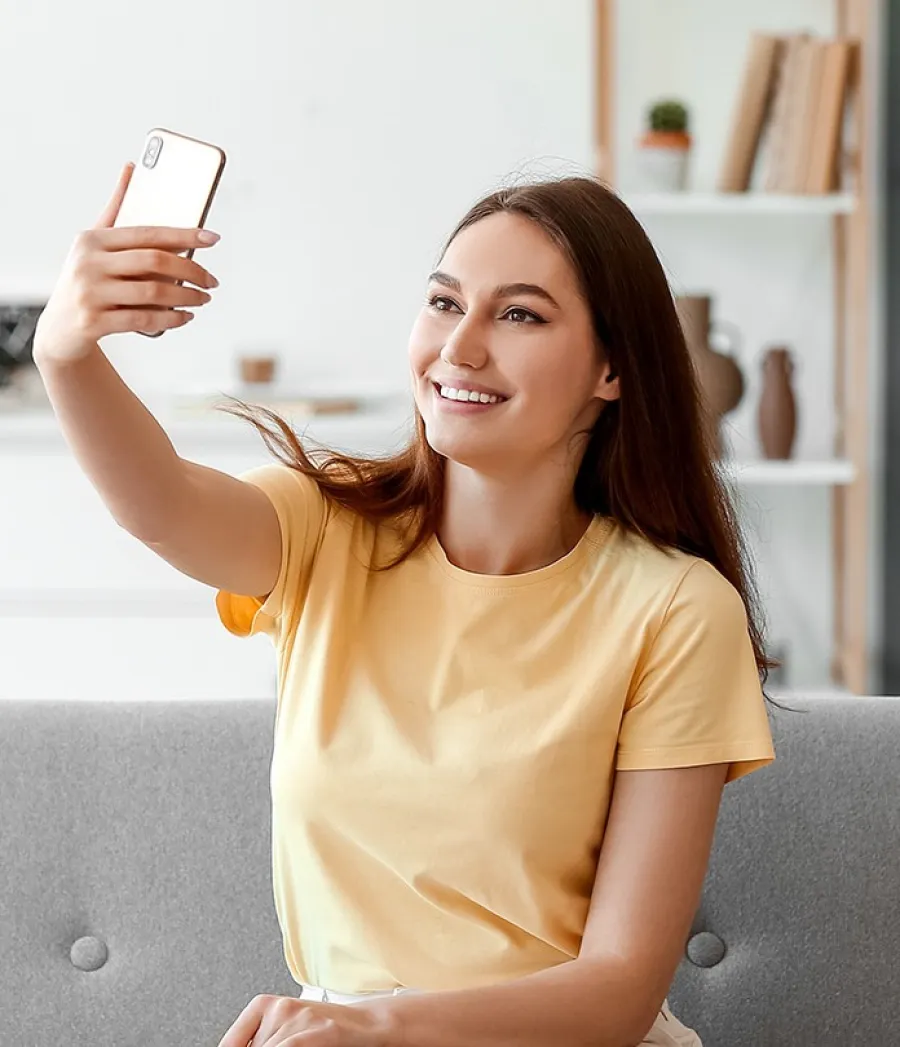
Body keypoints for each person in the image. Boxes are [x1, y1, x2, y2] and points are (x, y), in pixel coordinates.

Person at [34, 163, 776, 1047]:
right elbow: (160, 505)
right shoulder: (325, 526)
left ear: (613, 367)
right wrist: (66, 352)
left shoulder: (676, 609)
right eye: (443, 302)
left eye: (519, 314)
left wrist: (374, 1027)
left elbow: (617, 991)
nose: (459, 348)